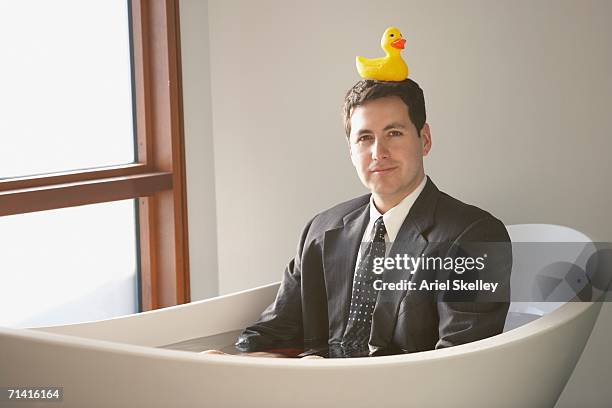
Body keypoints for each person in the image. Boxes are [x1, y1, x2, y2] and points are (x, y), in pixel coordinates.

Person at [206, 78, 511, 358]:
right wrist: (235, 361)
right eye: (365, 137)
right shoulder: (321, 229)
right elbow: (272, 331)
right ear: (351, 151)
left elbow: (459, 363)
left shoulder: (476, 236)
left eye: (394, 133)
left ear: (425, 139)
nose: (379, 152)